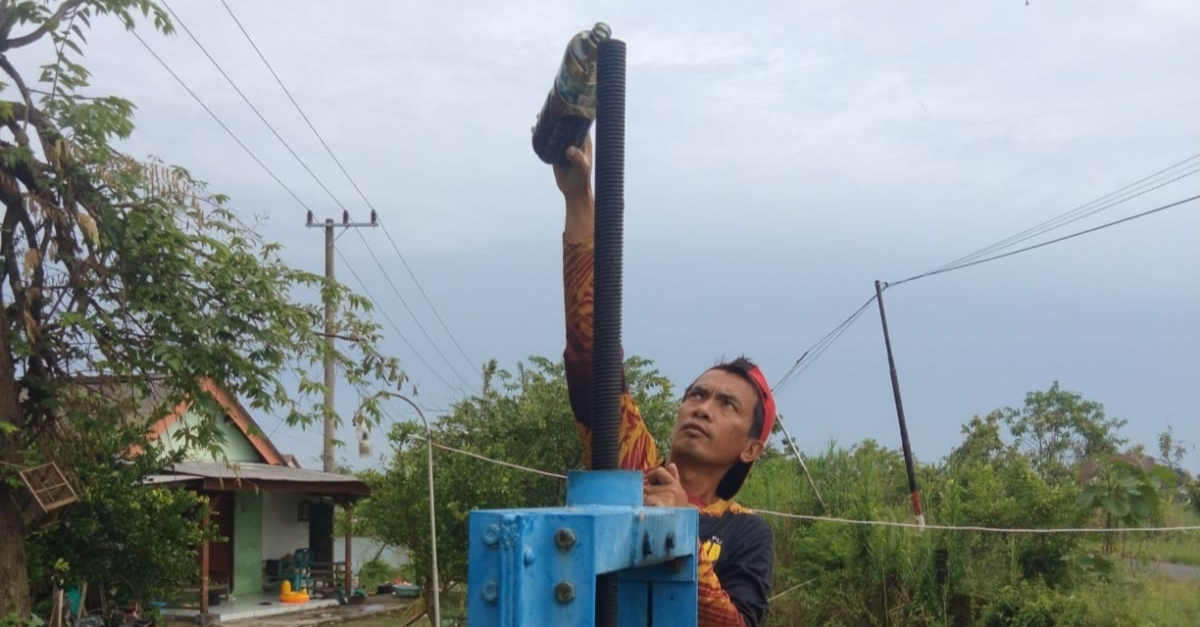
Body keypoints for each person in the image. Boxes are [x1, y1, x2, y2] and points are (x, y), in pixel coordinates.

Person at [555, 135, 776, 626]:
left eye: (727, 405)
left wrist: (678, 526)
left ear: (749, 449)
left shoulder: (746, 533)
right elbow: (593, 356)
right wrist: (578, 198)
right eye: (696, 394)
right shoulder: (633, 470)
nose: (702, 407)